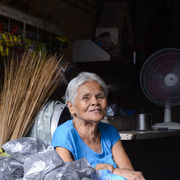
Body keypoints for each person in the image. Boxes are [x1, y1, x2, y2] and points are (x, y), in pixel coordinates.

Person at [51, 72, 145, 180]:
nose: (95, 102)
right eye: (86, 98)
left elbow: (130, 173)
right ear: (71, 107)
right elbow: (68, 176)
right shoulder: (65, 133)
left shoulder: (110, 131)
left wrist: (105, 170)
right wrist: (110, 171)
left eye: (100, 97)